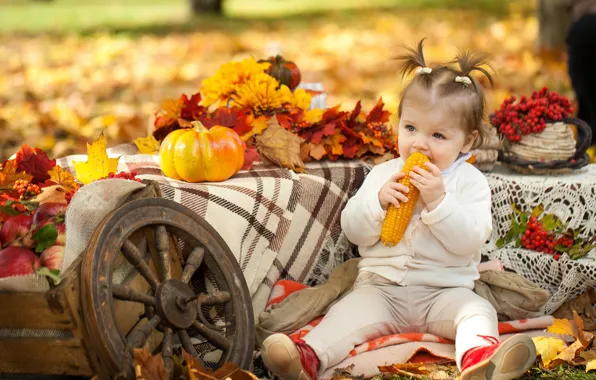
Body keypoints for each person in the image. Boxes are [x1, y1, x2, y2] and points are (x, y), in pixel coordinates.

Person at [259, 39, 537, 380]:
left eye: (437, 135)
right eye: (410, 129)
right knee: (344, 316)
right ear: (399, 124)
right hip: (381, 290)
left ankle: (481, 359)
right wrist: (377, 205)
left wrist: (439, 202)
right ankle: (305, 357)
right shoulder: (384, 174)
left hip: (445, 292)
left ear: (467, 141)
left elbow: (470, 241)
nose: (419, 143)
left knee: (477, 311)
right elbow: (354, 231)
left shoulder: (469, 182)